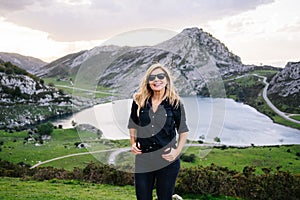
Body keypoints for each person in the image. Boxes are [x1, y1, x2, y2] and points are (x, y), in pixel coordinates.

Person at [128, 63, 189, 200]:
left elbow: (183, 131)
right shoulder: (139, 101)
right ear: (148, 81)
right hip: (144, 160)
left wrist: (176, 152)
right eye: (152, 77)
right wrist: (133, 143)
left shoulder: (175, 103)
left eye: (160, 76)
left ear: (167, 80)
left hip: (167, 161)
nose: (156, 80)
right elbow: (132, 124)